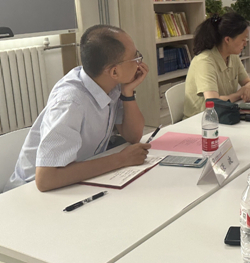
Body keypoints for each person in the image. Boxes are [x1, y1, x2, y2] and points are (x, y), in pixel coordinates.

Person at [5, 25, 150, 193]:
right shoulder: (71, 102)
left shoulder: (109, 84)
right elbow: (45, 179)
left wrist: (127, 93)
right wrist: (120, 159)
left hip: (76, 177)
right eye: (135, 57)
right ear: (114, 72)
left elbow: (133, 136)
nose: (139, 63)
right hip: (30, 192)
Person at [183, 13, 250, 119]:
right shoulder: (205, 61)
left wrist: (248, 89)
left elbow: (248, 82)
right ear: (228, 40)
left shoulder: (232, 56)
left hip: (224, 115)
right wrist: (239, 94)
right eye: (243, 39)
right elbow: (213, 102)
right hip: (201, 120)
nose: (245, 43)